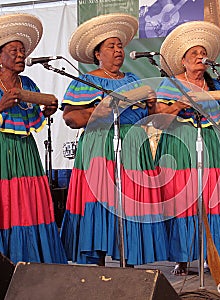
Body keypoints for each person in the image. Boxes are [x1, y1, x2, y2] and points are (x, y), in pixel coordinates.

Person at [60, 13, 168, 266]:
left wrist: (152, 106)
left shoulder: (133, 81)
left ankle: (127, 264)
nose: (118, 50)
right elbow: (71, 118)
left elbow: (149, 120)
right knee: (100, 200)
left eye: (120, 46)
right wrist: (99, 111)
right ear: (98, 54)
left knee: (128, 201)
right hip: (99, 146)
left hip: (131, 146)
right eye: (112, 46)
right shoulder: (86, 80)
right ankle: (96, 264)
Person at [0, 13, 67, 264]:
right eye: (14, 50)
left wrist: (46, 112)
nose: (21, 55)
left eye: (22, 50)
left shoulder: (28, 84)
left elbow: (33, 118)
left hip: (24, 151)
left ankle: (28, 261)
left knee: (25, 204)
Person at [154, 21, 220, 275]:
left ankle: (210, 254)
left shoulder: (215, 86)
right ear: (182, 60)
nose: (199, 57)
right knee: (183, 199)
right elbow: (160, 118)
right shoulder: (171, 84)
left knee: (212, 198)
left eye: (202, 52)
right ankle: (182, 257)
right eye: (193, 53)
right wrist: (179, 105)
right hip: (181, 145)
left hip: (210, 146)